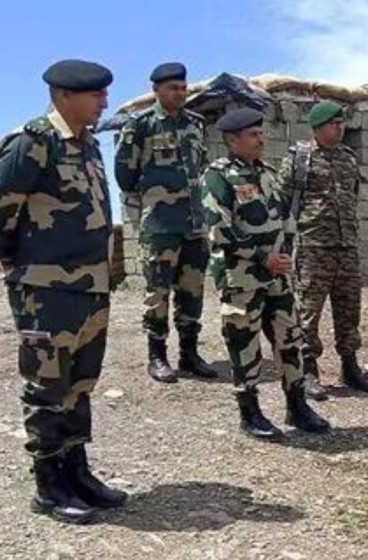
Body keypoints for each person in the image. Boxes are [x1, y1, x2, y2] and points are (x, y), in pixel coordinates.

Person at [0, 59, 127, 523]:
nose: (104, 101)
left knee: (80, 382)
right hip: (44, 287)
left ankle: (77, 471)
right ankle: (48, 485)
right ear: (64, 95)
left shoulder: (88, 145)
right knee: (48, 384)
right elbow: (1, 209)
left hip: (89, 286)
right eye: (96, 95)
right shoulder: (32, 142)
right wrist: (17, 263)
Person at [201, 107, 330, 440]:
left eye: (261, 133)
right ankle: (250, 412)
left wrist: (284, 253)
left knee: (290, 338)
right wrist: (262, 256)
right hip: (241, 278)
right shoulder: (218, 176)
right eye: (253, 135)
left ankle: (297, 405)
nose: (261, 139)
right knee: (244, 344)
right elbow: (219, 231)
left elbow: (285, 216)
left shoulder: (268, 172)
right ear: (233, 140)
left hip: (277, 276)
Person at [115, 62, 215, 383]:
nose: (180, 93)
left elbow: (201, 168)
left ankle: (189, 354)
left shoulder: (195, 125)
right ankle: (157, 356)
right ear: (156, 90)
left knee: (192, 290)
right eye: (173, 88)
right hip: (159, 224)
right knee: (158, 291)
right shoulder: (142, 125)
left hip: (194, 224)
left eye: (184, 88)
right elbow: (124, 175)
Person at [279, 100, 368, 401]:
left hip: (346, 246)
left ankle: (350, 366)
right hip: (313, 248)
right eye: (334, 123)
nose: (340, 127)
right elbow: (283, 201)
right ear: (318, 127)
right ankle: (308, 370)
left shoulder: (349, 158)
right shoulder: (299, 159)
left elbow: (353, 198)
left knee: (349, 311)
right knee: (308, 312)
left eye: (341, 123)